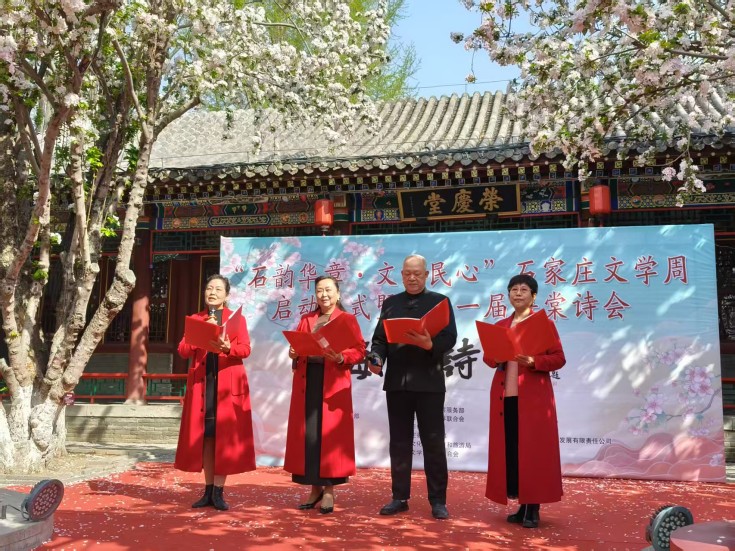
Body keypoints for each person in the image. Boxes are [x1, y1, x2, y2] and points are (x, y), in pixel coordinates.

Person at [368, 254, 457, 520]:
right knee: (399, 442)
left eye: (417, 273)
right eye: (408, 273)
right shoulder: (391, 303)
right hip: (397, 383)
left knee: (433, 442)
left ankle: (438, 500)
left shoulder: (440, 301)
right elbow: (379, 339)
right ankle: (399, 497)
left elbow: (450, 337)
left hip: (429, 383)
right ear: (402, 275)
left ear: (427, 274)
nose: (412, 278)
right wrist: (376, 357)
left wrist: (431, 344)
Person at [482, 274, 566, 528]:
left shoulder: (543, 324)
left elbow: (559, 358)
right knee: (512, 452)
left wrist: (534, 361)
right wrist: (495, 357)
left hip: (534, 401)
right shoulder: (501, 325)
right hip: (505, 397)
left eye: (524, 290)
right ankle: (521, 503)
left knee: (533, 452)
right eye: (514, 289)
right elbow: (489, 357)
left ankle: (533, 507)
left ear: (534, 296)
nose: (518, 293)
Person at [284, 276, 366, 514]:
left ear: (338, 294)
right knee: (310, 435)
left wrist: (341, 357)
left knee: (330, 437)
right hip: (308, 381)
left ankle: (329, 490)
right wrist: (293, 352)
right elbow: (298, 347)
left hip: (333, 384)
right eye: (319, 291)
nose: (324, 295)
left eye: (328, 290)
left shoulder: (347, 319)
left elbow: (359, 350)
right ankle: (315, 488)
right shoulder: (306, 319)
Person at [175, 274, 256, 511]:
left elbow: (245, 349)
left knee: (223, 438)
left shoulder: (236, 319)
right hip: (203, 385)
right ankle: (208, 490)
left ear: (227, 295)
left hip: (226, 385)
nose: (212, 292)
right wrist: (202, 334)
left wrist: (229, 348)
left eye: (218, 289)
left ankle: (219, 492)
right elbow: (183, 350)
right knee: (207, 438)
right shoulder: (196, 318)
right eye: (209, 288)